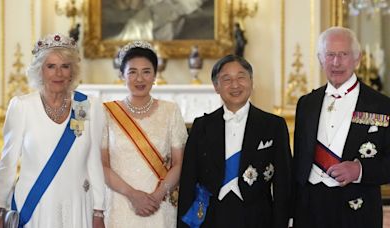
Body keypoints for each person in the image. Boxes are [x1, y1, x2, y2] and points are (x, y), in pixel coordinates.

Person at [0, 33, 106, 227]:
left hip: (77, 204)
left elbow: (94, 160)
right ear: (40, 70)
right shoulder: (22, 106)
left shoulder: (86, 105)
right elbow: (7, 162)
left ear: (72, 71)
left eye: (65, 66)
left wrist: (99, 210)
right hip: (34, 205)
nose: (58, 74)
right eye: (51, 66)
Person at [177, 54, 292, 228]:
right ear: (216, 86)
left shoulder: (273, 125)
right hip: (211, 215)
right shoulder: (202, 127)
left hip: (257, 216)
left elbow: (284, 182)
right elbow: (188, 179)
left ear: (251, 82)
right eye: (226, 79)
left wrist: (281, 222)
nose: (235, 85)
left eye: (241, 77)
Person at [292, 26, 390, 228]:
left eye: (343, 54)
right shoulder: (306, 103)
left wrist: (360, 169)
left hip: (357, 210)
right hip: (310, 209)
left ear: (357, 58)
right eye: (330, 55)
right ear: (320, 59)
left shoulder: (381, 105)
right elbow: (299, 162)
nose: (336, 62)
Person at [101, 40, 188, 228]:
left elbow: (179, 163)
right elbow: (103, 166)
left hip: (159, 206)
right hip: (120, 204)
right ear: (122, 75)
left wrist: (157, 196)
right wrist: (133, 195)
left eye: (146, 72)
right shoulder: (107, 113)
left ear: (155, 75)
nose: (139, 79)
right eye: (132, 72)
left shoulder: (170, 111)